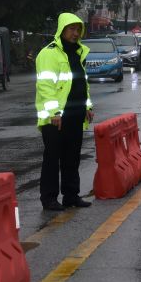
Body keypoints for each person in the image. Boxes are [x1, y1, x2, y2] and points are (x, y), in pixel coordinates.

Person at [35, 13, 94, 211]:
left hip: (76, 115)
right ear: (62, 30)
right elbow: (46, 86)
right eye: (71, 29)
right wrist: (54, 113)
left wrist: (87, 107)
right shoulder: (48, 53)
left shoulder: (79, 53)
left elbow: (81, 84)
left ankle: (71, 195)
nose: (75, 33)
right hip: (56, 118)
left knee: (72, 157)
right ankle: (49, 198)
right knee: (52, 158)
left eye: (78, 29)